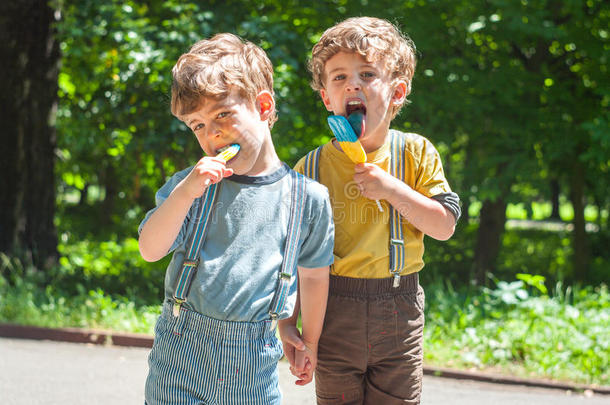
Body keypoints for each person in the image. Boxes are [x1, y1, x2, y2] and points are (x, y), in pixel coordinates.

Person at [138, 33, 334, 405]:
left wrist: (306, 336)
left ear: (262, 107)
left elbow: (313, 277)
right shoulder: (190, 187)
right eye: (196, 125)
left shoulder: (308, 199)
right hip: (180, 356)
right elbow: (150, 249)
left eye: (222, 115)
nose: (211, 133)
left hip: (253, 365)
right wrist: (186, 193)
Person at [280, 17, 461, 404]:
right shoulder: (309, 169)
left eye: (367, 74)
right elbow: (294, 260)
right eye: (339, 77)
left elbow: (444, 226)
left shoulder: (414, 152)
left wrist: (391, 189)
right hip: (331, 309)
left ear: (397, 92)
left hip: (398, 306)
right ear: (328, 98)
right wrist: (290, 325)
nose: (353, 84)